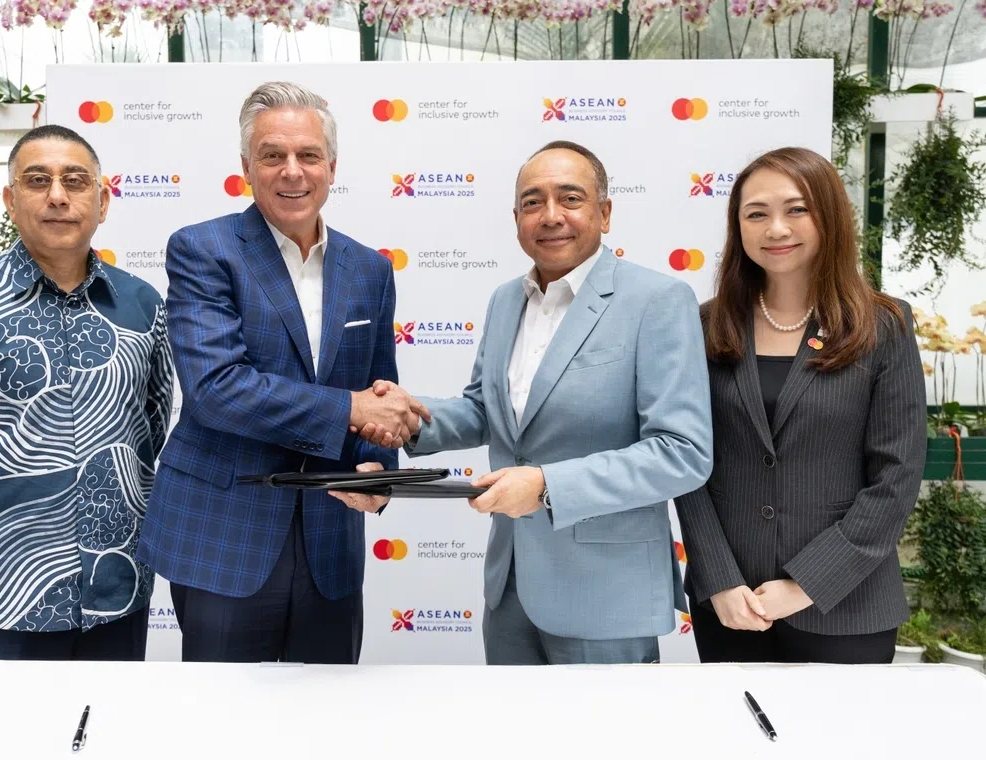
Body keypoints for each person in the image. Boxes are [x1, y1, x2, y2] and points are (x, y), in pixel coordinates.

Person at [361, 140, 713, 665]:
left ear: (605, 212)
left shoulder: (657, 301)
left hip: (605, 597)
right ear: (516, 218)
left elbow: (681, 452)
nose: (550, 216)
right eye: (532, 202)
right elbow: (487, 411)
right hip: (510, 590)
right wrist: (411, 418)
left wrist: (548, 486)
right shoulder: (507, 299)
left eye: (570, 198)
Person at [137, 82, 428, 665]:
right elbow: (217, 390)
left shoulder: (370, 268)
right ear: (247, 167)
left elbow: (380, 389)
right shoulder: (203, 250)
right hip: (224, 539)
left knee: (326, 727)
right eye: (273, 155)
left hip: (331, 541)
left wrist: (379, 472)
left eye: (308, 156)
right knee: (221, 730)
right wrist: (349, 410)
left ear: (332, 166)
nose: (292, 172)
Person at [0, 124, 175, 660]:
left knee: (113, 737)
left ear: (103, 199)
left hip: (117, 590)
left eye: (75, 180)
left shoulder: (143, 305)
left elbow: (153, 425)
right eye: (37, 180)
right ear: (10, 199)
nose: (58, 196)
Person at [674, 146, 927, 664]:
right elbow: (687, 463)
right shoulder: (703, 326)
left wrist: (807, 583)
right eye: (756, 213)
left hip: (847, 603)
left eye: (796, 209)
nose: (776, 229)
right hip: (733, 605)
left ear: (828, 216)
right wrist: (719, 580)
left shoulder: (884, 326)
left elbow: (896, 477)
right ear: (737, 227)